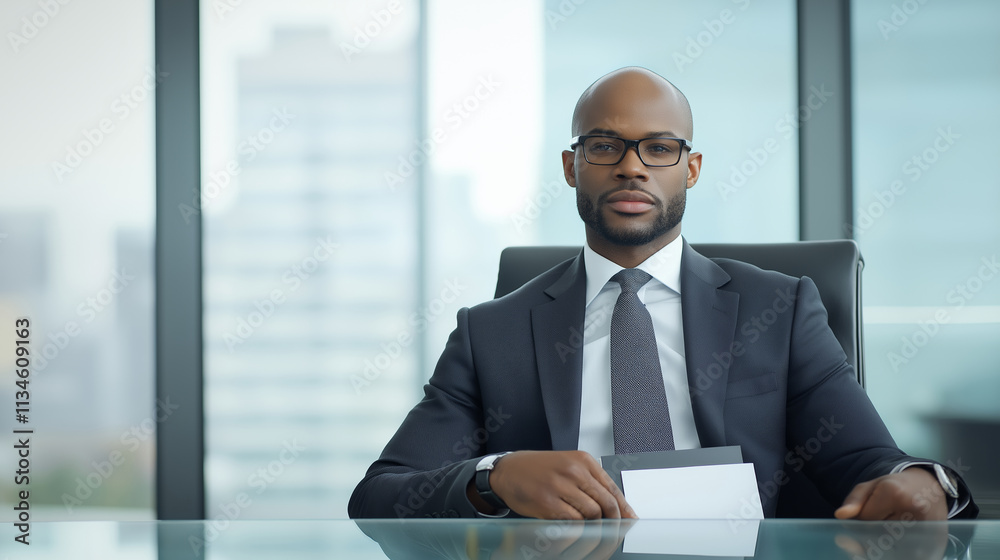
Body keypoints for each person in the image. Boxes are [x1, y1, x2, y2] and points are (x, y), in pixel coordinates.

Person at [348, 67, 976, 521]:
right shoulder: (493, 332)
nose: (631, 166)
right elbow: (382, 494)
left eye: (659, 147)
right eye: (604, 146)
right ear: (572, 167)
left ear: (690, 169)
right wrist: (493, 477)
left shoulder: (778, 310)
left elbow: (870, 461)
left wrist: (923, 483)